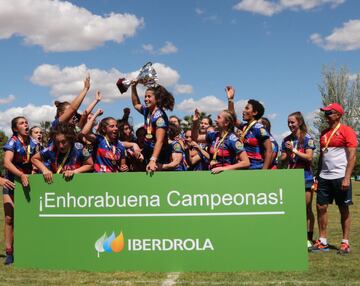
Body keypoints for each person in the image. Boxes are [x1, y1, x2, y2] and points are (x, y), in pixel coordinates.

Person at [310, 103, 357, 254]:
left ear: (338, 114)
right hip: (324, 177)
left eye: (329, 112)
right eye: (325, 113)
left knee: (343, 209)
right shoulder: (323, 133)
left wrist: (347, 177)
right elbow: (323, 155)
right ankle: (323, 240)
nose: (326, 115)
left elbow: (352, 156)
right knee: (321, 207)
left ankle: (345, 242)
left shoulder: (347, 131)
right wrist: (317, 175)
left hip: (340, 176)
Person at [3, 116, 39, 265]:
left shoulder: (34, 142)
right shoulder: (12, 142)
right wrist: (21, 174)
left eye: (26, 122)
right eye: (21, 123)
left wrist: (35, 170)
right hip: (12, 183)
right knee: (9, 218)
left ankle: (29, 249)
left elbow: (37, 160)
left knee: (28, 218)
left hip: (28, 184)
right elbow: (6, 163)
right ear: (15, 128)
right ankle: (9, 253)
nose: (26, 125)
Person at [280, 112, 316, 245]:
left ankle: (308, 238)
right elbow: (283, 160)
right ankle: (294, 235)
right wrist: (286, 153)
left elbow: (309, 157)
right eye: (288, 122)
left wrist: (294, 151)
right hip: (291, 177)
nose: (290, 125)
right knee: (292, 208)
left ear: (299, 122)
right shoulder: (286, 140)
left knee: (306, 208)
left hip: (305, 177)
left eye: (292, 122)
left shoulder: (307, 138)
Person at [131, 82, 174, 174]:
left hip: (160, 156)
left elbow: (160, 141)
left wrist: (153, 160)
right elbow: (135, 104)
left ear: (157, 99)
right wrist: (133, 87)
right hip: (149, 152)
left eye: (149, 96)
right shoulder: (147, 111)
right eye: (145, 96)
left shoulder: (160, 117)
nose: (146, 99)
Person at [226, 86, 272, 169]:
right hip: (243, 168)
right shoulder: (244, 127)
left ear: (254, 112)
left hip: (256, 169)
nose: (243, 111)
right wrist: (230, 100)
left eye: (247, 108)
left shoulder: (259, 128)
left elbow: (269, 151)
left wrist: (264, 172)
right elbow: (232, 118)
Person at [192, 108, 250, 174]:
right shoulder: (213, 135)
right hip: (213, 174)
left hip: (227, 176)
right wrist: (195, 122)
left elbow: (246, 162)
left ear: (226, 123)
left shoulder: (233, 140)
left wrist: (223, 169)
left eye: (218, 118)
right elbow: (195, 138)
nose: (215, 120)